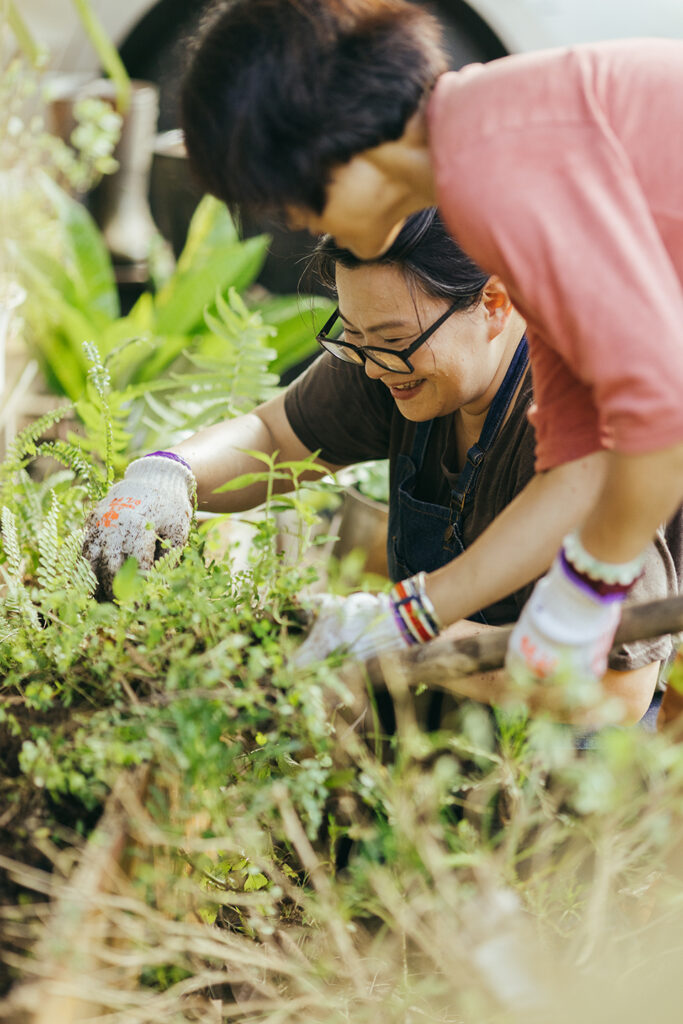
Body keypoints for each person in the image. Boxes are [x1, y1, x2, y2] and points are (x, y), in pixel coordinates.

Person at [175, 0, 683, 692]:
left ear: (318, 144)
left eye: (283, 200)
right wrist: (400, 619)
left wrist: (587, 588)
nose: (295, 223)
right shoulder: (483, 153)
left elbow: (658, 419)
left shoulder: (497, 166)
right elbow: (579, 454)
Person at [82, 210, 679, 725]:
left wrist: (394, 637)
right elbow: (275, 436)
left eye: (389, 340)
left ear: (495, 303)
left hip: (575, 775)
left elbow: (617, 690)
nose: (369, 368)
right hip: (442, 727)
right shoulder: (391, 352)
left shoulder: (573, 416)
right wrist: (166, 474)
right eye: (354, 335)